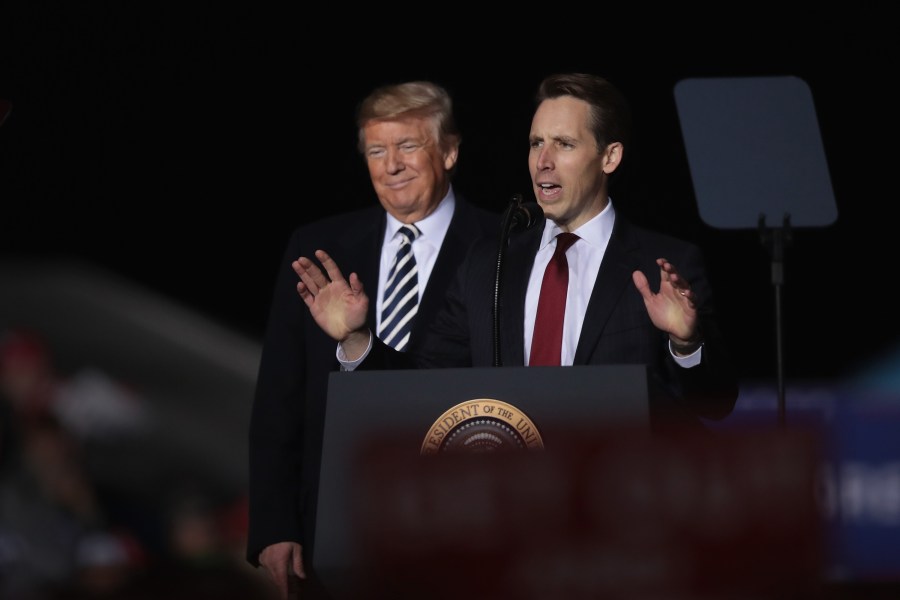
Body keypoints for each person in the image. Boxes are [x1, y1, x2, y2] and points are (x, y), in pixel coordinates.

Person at [293, 72, 738, 433]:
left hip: (619, 519)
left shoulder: (661, 265)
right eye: (535, 143)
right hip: (508, 514)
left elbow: (715, 405)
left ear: (610, 157)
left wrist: (686, 342)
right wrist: (356, 340)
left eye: (563, 144)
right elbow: (418, 388)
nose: (542, 160)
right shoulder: (490, 262)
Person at [246, 80, 499, 598]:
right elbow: (279, 396)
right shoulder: (317, 247)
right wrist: (275, 525)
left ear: (449, 151)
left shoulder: (506, 249)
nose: (392, 165)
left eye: (408, 146)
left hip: (462, 522)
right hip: (336, 529)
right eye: (377, 151)